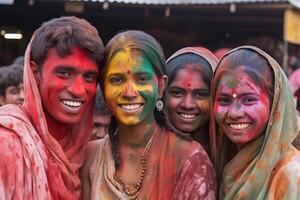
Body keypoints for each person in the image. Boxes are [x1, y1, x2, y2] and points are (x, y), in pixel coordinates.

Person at [81, 30, 216, 200]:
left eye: (142, 79)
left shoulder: (190, 159)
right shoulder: (91, 156)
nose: (129, 92)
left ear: (161, 85)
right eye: (117, 80)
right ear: (103, 87)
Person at [0, 16, 104, 199]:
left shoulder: (85, 151)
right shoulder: (7, 142)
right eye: (64, 73)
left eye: (89, 76)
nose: (78, 91)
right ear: (35, 73)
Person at [211, 46, 300, 199]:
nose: (234, 113)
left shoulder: (291, 173)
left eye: (248, 100)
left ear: (275, 104)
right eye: (224, 100)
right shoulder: (225, 161)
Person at [165, 47, 218, 153]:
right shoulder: (141, 149)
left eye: (200, 94)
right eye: (177, 93)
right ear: (161, 93)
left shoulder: (230, 154)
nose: (187, 105)